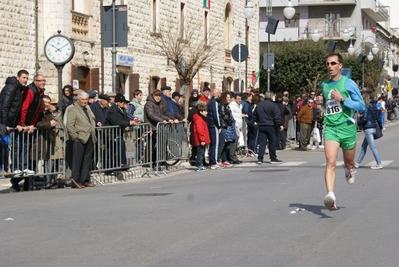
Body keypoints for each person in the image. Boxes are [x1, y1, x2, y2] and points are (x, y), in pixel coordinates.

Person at [320, 53, 365, 211]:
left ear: (340, 65)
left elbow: (362, 106)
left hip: (347, 127)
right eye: (327, 63)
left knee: (348, 161)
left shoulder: (349, 84)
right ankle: (331, 196)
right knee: (330, 162)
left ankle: (349, 170)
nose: (330, 66)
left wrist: (343, 99)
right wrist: (322, 105)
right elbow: (327, 104)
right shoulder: (324, 85)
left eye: (333, 63)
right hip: (331, 128)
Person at [0, 69, 29, 190]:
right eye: (23, 77)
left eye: (27, 78)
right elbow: (4, 107)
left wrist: (17, 123)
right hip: (4, 123)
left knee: (6, 147)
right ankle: (3, 169)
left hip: (11, 124)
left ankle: (6, 169)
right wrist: (5, 123)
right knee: (3, 146)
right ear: (18, 77)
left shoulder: (19, 89)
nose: (26, 80)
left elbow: (16, 109)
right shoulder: (11, 88)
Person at [66, 92, 97, 188]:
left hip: (89, 137)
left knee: (87, 160)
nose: (84, 101)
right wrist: (75, 136)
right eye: (82, 99)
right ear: (78, 100)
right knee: (77, 161)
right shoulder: (73, 110)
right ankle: (76, 181)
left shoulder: (87, 110)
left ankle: (85, 180)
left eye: (86, 99)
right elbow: (70, 125)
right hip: (79, 138)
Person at [354, 92, 383, 170]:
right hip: (373, 127)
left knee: (372, 147)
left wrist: (357, 122)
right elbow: (378, 118)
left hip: (368, 129)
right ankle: (357, 163)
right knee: (363, 146)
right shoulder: (374, 106)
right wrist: (381, 127)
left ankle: (379, 163)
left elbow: (365, 119)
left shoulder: (366, 107)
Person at [253, 91, 284, 164]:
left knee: (262, 143)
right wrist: (280, 124)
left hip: (262, 125)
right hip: (271, 125)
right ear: (271, 97)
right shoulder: (273, 105)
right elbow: (277, 116)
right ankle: (273, 158)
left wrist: (257, 121)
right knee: (272, 142)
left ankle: (260, 158)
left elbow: (255, 115)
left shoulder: (259, 105)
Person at [192, 103, 211, 172]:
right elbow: (200, 131)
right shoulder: (199, 120)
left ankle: (201, 165)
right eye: (205, 111)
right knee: (200, 153)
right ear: (201, 112)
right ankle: (199, 166)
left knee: (202, 152)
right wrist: (202, 140)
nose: (206, 113)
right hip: (200, 140)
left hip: (201, 140)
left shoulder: (201, 119)